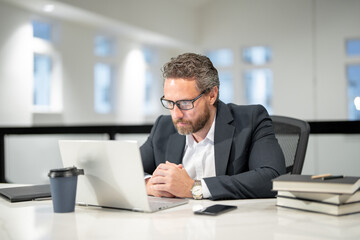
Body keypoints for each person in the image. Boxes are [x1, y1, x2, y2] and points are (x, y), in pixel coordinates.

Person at [140, 53, 286, 200]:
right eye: (170, 103)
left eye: (185, 103)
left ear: (212, 95)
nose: (176, 114)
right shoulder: (163, 127)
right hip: (178, 220)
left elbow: (272, 177)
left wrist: (194, 188)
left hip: (233, 219)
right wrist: (149, 185)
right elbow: (126, 169)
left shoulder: (251, 120)